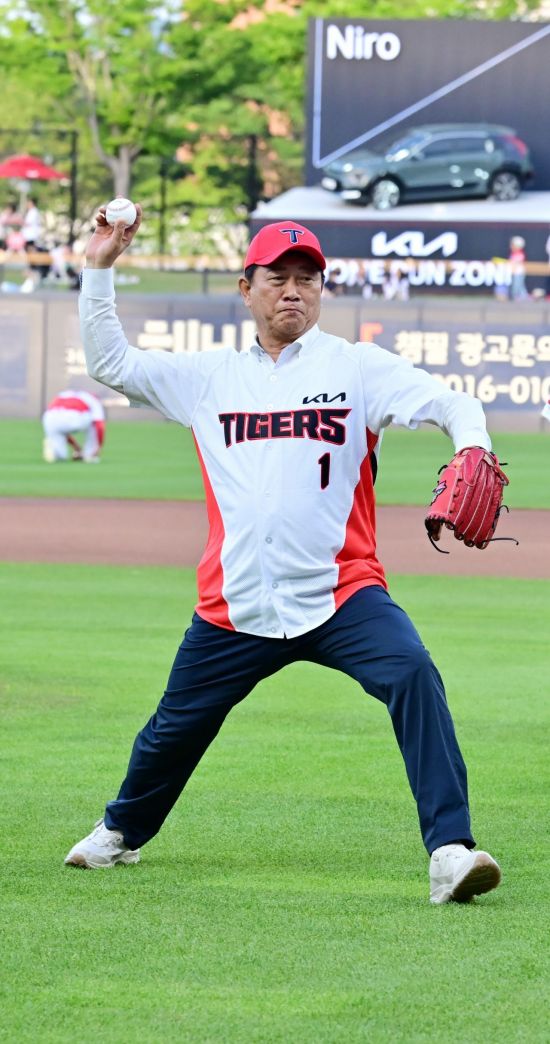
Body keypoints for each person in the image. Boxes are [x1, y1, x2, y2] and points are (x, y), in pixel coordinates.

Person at [65, 211, 502, 906]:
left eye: (307, 278)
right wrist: (99, 266)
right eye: (277, 277)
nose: (293, 290)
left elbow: (452, 402)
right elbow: (111, 364)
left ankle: (451, 851)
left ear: (322, 290)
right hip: (236, 602)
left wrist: (473, 444)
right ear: (247, 289)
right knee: (174, 729)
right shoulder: (208, 377)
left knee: (414, 674)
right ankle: (121, 831)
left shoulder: (357, 368)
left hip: (342, 593)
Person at [42, 389, 106, 463]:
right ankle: (90, 455)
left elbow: (63, 428)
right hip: (74, 415)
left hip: (49, 417)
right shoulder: (93, 399)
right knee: (94, 423)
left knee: (61, 457)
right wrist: (99, 447)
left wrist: (76, 448)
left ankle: (54, 450)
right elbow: (99, 426)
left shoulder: (65, 394)